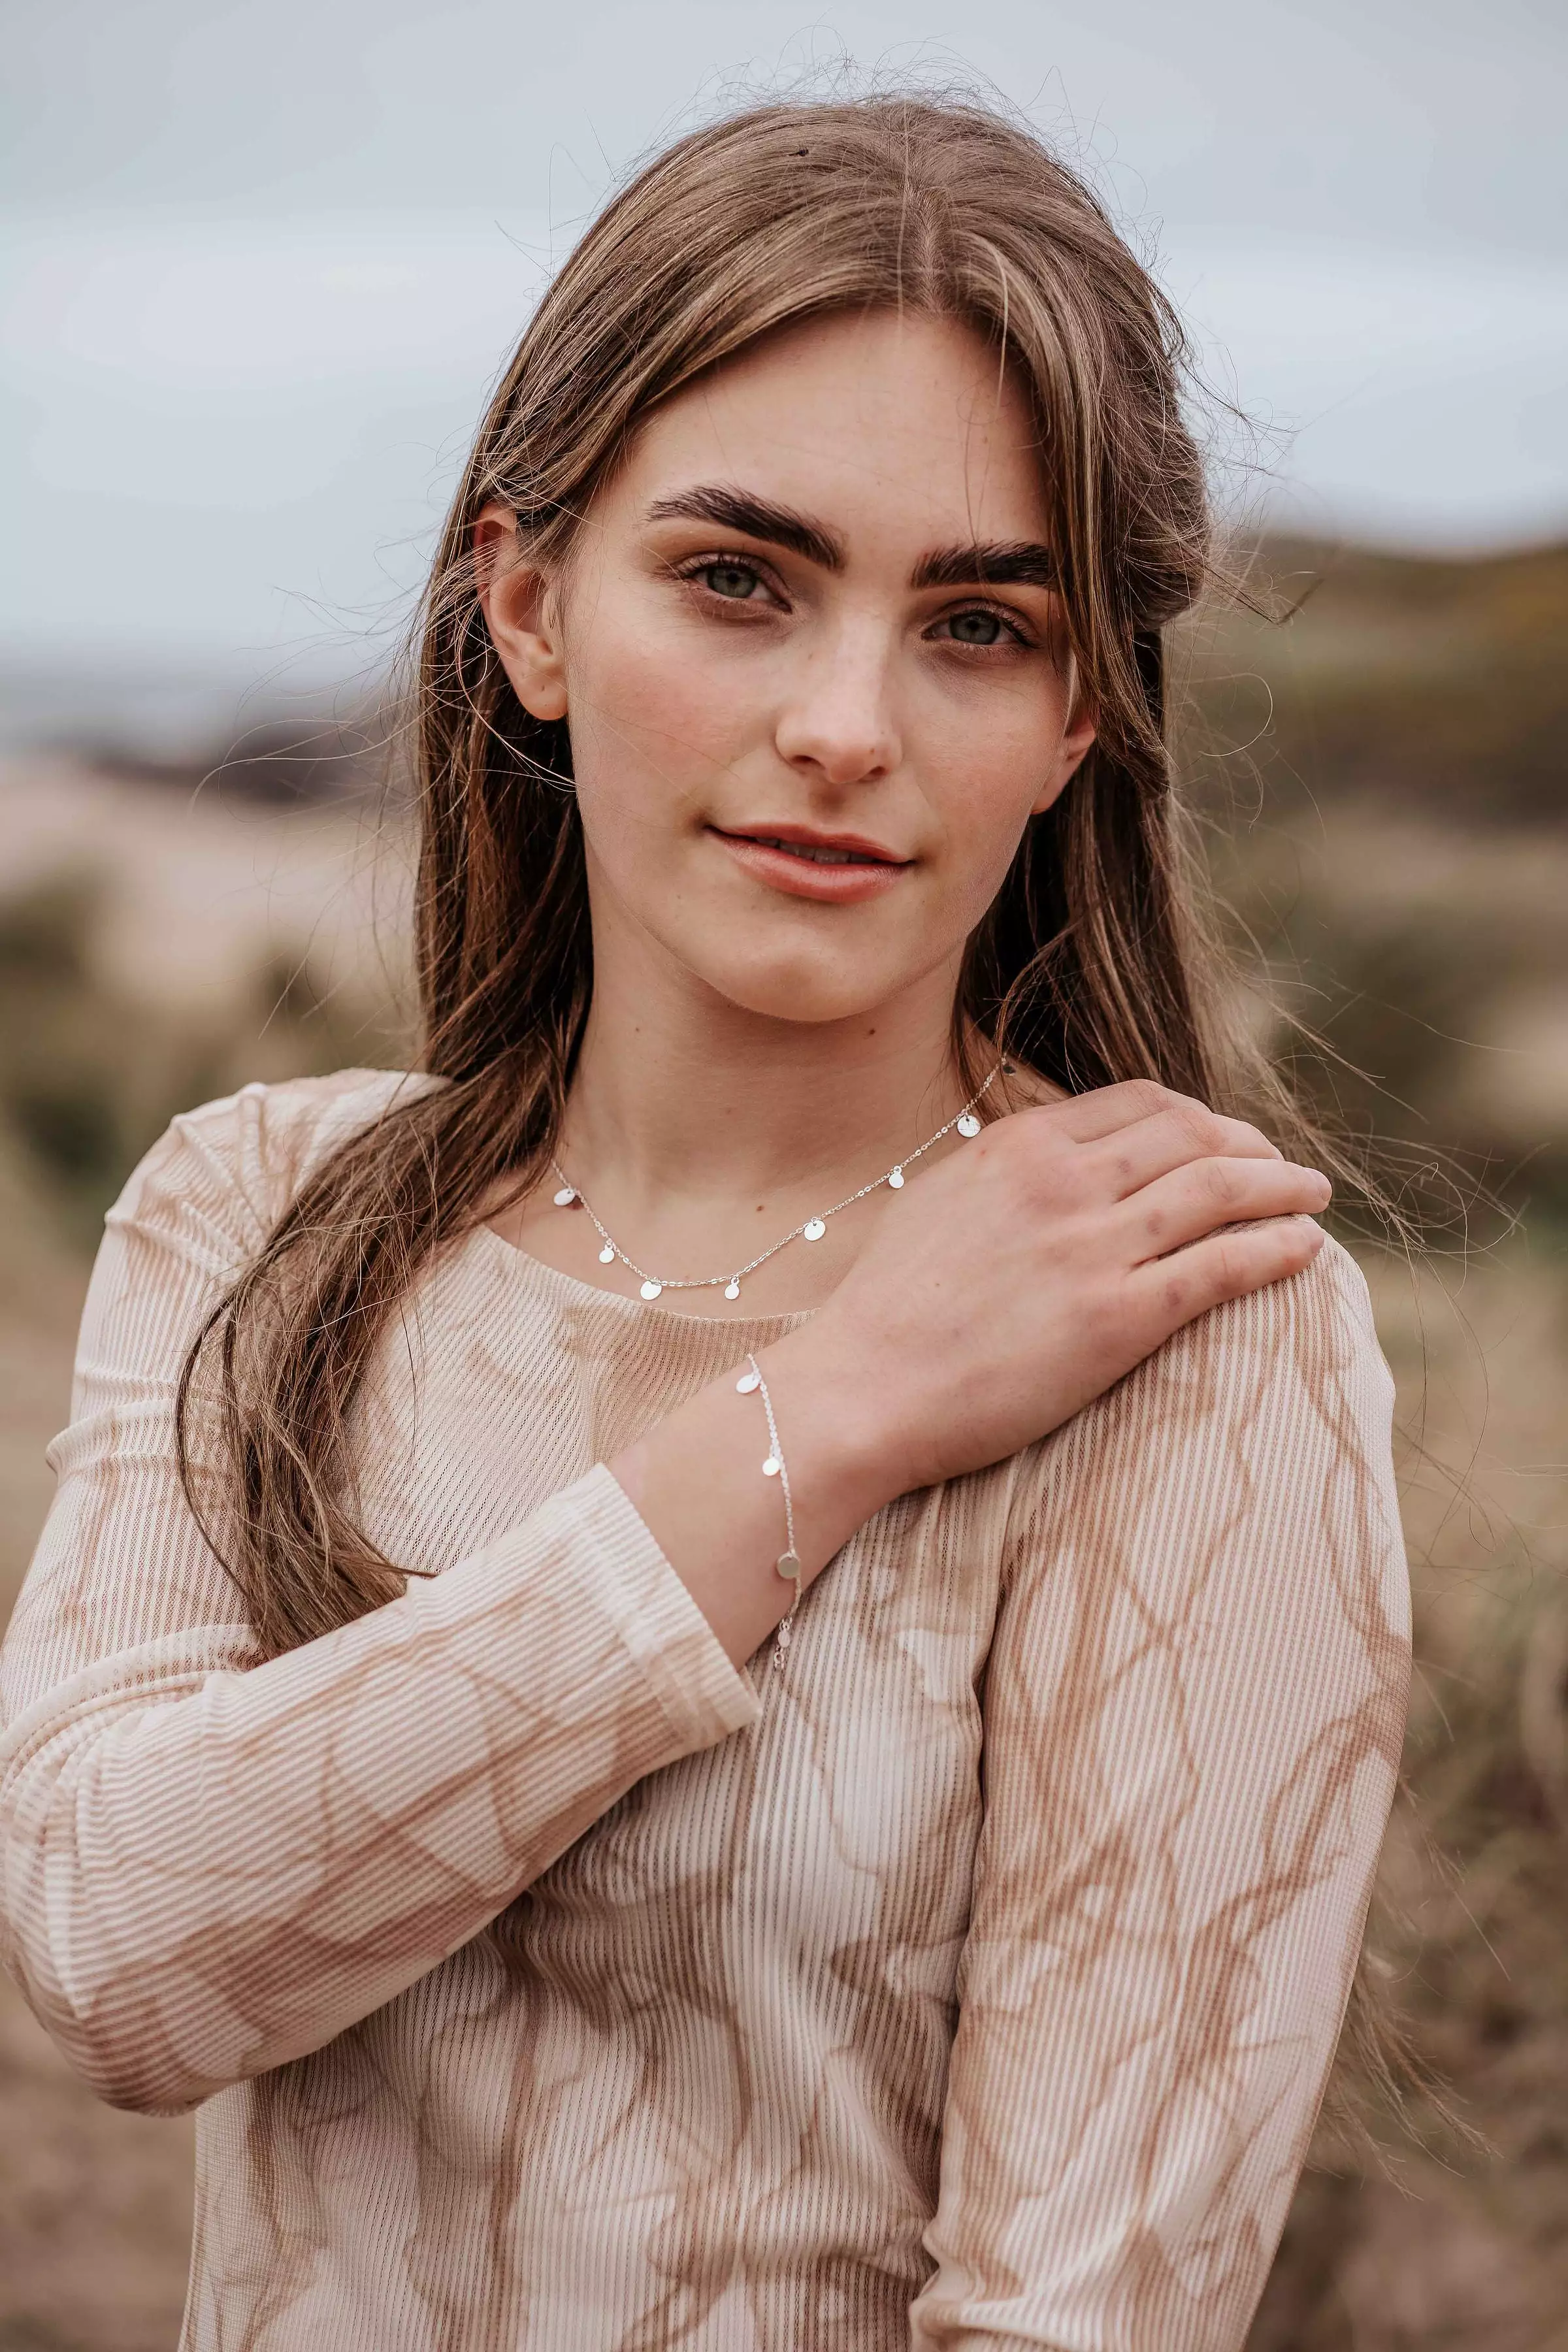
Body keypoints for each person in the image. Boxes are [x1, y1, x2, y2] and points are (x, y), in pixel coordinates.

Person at [0, 92, 1410, 2351]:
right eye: (740, 580)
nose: (844, 724)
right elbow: (119, 1956)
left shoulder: (1199, 1335)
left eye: (974, 623)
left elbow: (1078, 2321)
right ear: (533, 607)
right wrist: (823, 1416)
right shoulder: (253, 1216)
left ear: (1075, 719)